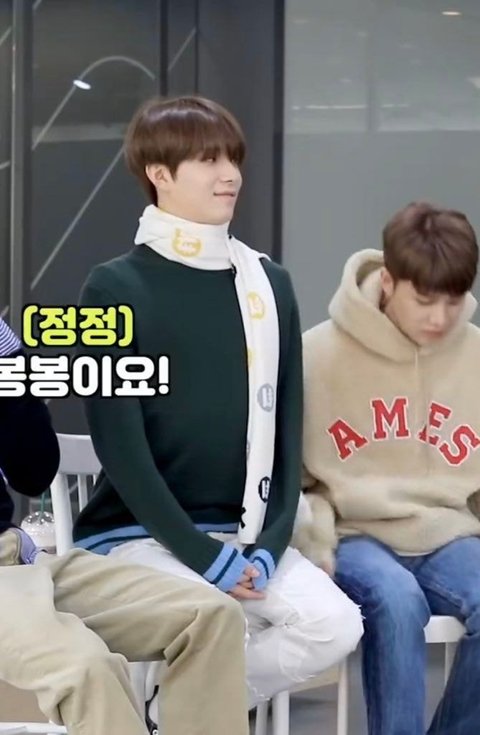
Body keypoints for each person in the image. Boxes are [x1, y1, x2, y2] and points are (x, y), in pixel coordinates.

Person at [72, 95, 362, 710]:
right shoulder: (112, 287)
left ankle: (168, 712)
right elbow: (121, 450)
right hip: (138, 536)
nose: (230, 174)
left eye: (233, 158)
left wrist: (269, 546)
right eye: (209, 160)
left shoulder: (270, 284)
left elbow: (288, 435)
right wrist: (205, 557)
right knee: (216, 616)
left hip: (246, 534)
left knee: (335, 625)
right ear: (159, 173)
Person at [0, 316, 250, 735]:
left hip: (19, 559)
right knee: (86, 668)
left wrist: (11, 365)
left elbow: (33, 472)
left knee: (211, 616)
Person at [294, 201, 480, 735]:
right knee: (397, 602)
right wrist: (315, 542)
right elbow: (295, 480)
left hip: (449, 531)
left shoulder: (474, 354)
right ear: (389, 281)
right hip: (355, 534)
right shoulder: (316, 354)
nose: (439, 318)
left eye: (453, 301)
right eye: (424, 300)